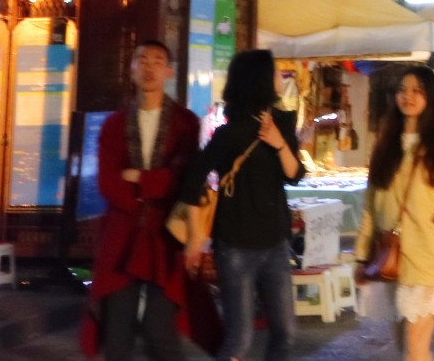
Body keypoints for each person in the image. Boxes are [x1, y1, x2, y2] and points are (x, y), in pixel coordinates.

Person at [83, 41, 211, 361]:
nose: (149, 67)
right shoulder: (115, 124)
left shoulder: (185, 123)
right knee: (117, 332)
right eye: (142, 60)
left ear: (168, 72)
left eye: (157, 61)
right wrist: (155, 185)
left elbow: (183, 180)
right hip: (123, 235)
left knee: (160, 332)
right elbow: (109, 182)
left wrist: (139, 177)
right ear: (131, 69)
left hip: (166, 237)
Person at [181, 49, 305, 361]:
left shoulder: (282, 123)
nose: (280, 77)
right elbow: (192, 179)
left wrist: (279, 143)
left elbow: (294, 175)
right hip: (235, 246)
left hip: (275, 243)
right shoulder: (229, 133)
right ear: (259, 79)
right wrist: (195, 237)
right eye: (274, 71)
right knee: (240, 339)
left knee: (286, 332)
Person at [356, 66, 434, 361]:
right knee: (405, 346)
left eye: (417, 91)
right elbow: (371, 206)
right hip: (391, 259)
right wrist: (362, 256)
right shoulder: (385, 145)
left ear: (430, 97)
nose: (408, 96)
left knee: (414, 349)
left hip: (430, 258)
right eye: (402, 90)